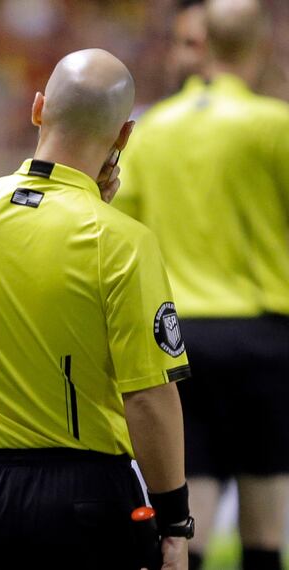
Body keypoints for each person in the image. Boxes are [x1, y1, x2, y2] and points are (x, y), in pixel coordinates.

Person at [0, 49, 193, 569]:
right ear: (123, 136)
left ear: (37, 108)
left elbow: (29, 247)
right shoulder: (121, 241)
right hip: (85, 498)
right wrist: (175, 522)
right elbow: (149, 398)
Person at [115, 1, 289, 569]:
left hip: (180, 336)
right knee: (265, 499)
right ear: (263, 47)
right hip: (263, 335)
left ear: (204, 45)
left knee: (196, 494)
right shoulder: (275, 125)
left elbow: (126, 229)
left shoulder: (154, 127)